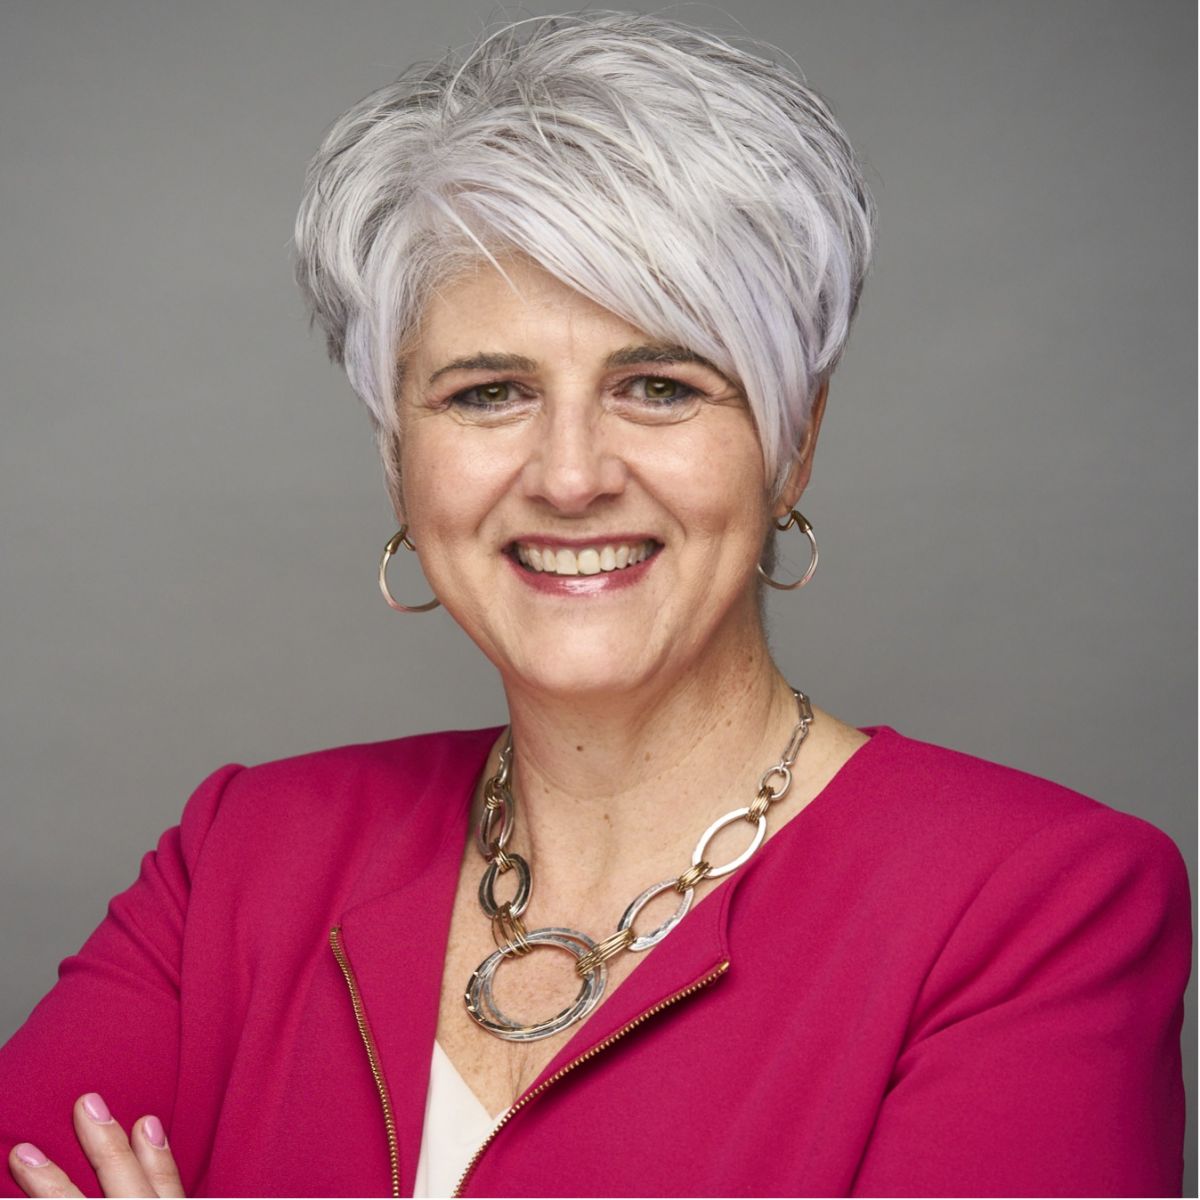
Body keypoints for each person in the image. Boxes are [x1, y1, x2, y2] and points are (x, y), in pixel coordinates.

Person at [1, 10, 1189, 1198]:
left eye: (660, 386)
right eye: (489, 393)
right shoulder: (242, 859)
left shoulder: (1038, 907)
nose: (570, 477)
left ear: (793, 444)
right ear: (398, 457)